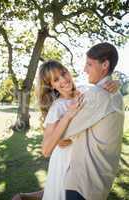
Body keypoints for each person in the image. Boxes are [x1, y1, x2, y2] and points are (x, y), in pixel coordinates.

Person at [12, 43, 121, 200]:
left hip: (81, 160)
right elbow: (45, 149)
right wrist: (68, 115)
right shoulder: (57, 108)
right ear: (52, 85)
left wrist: (116, 83)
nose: (63, 80)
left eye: (64, 73)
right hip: (65, 160)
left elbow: (101, 90)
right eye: (56, 79)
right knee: (58, 192)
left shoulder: (85, 91)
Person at [62, 42, 124, 200]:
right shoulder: (116, 95)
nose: (84, 69)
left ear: (105, 64)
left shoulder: (97, 94)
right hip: (99, 185)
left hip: (82, 184)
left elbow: (62, 134)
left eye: (89, 64)